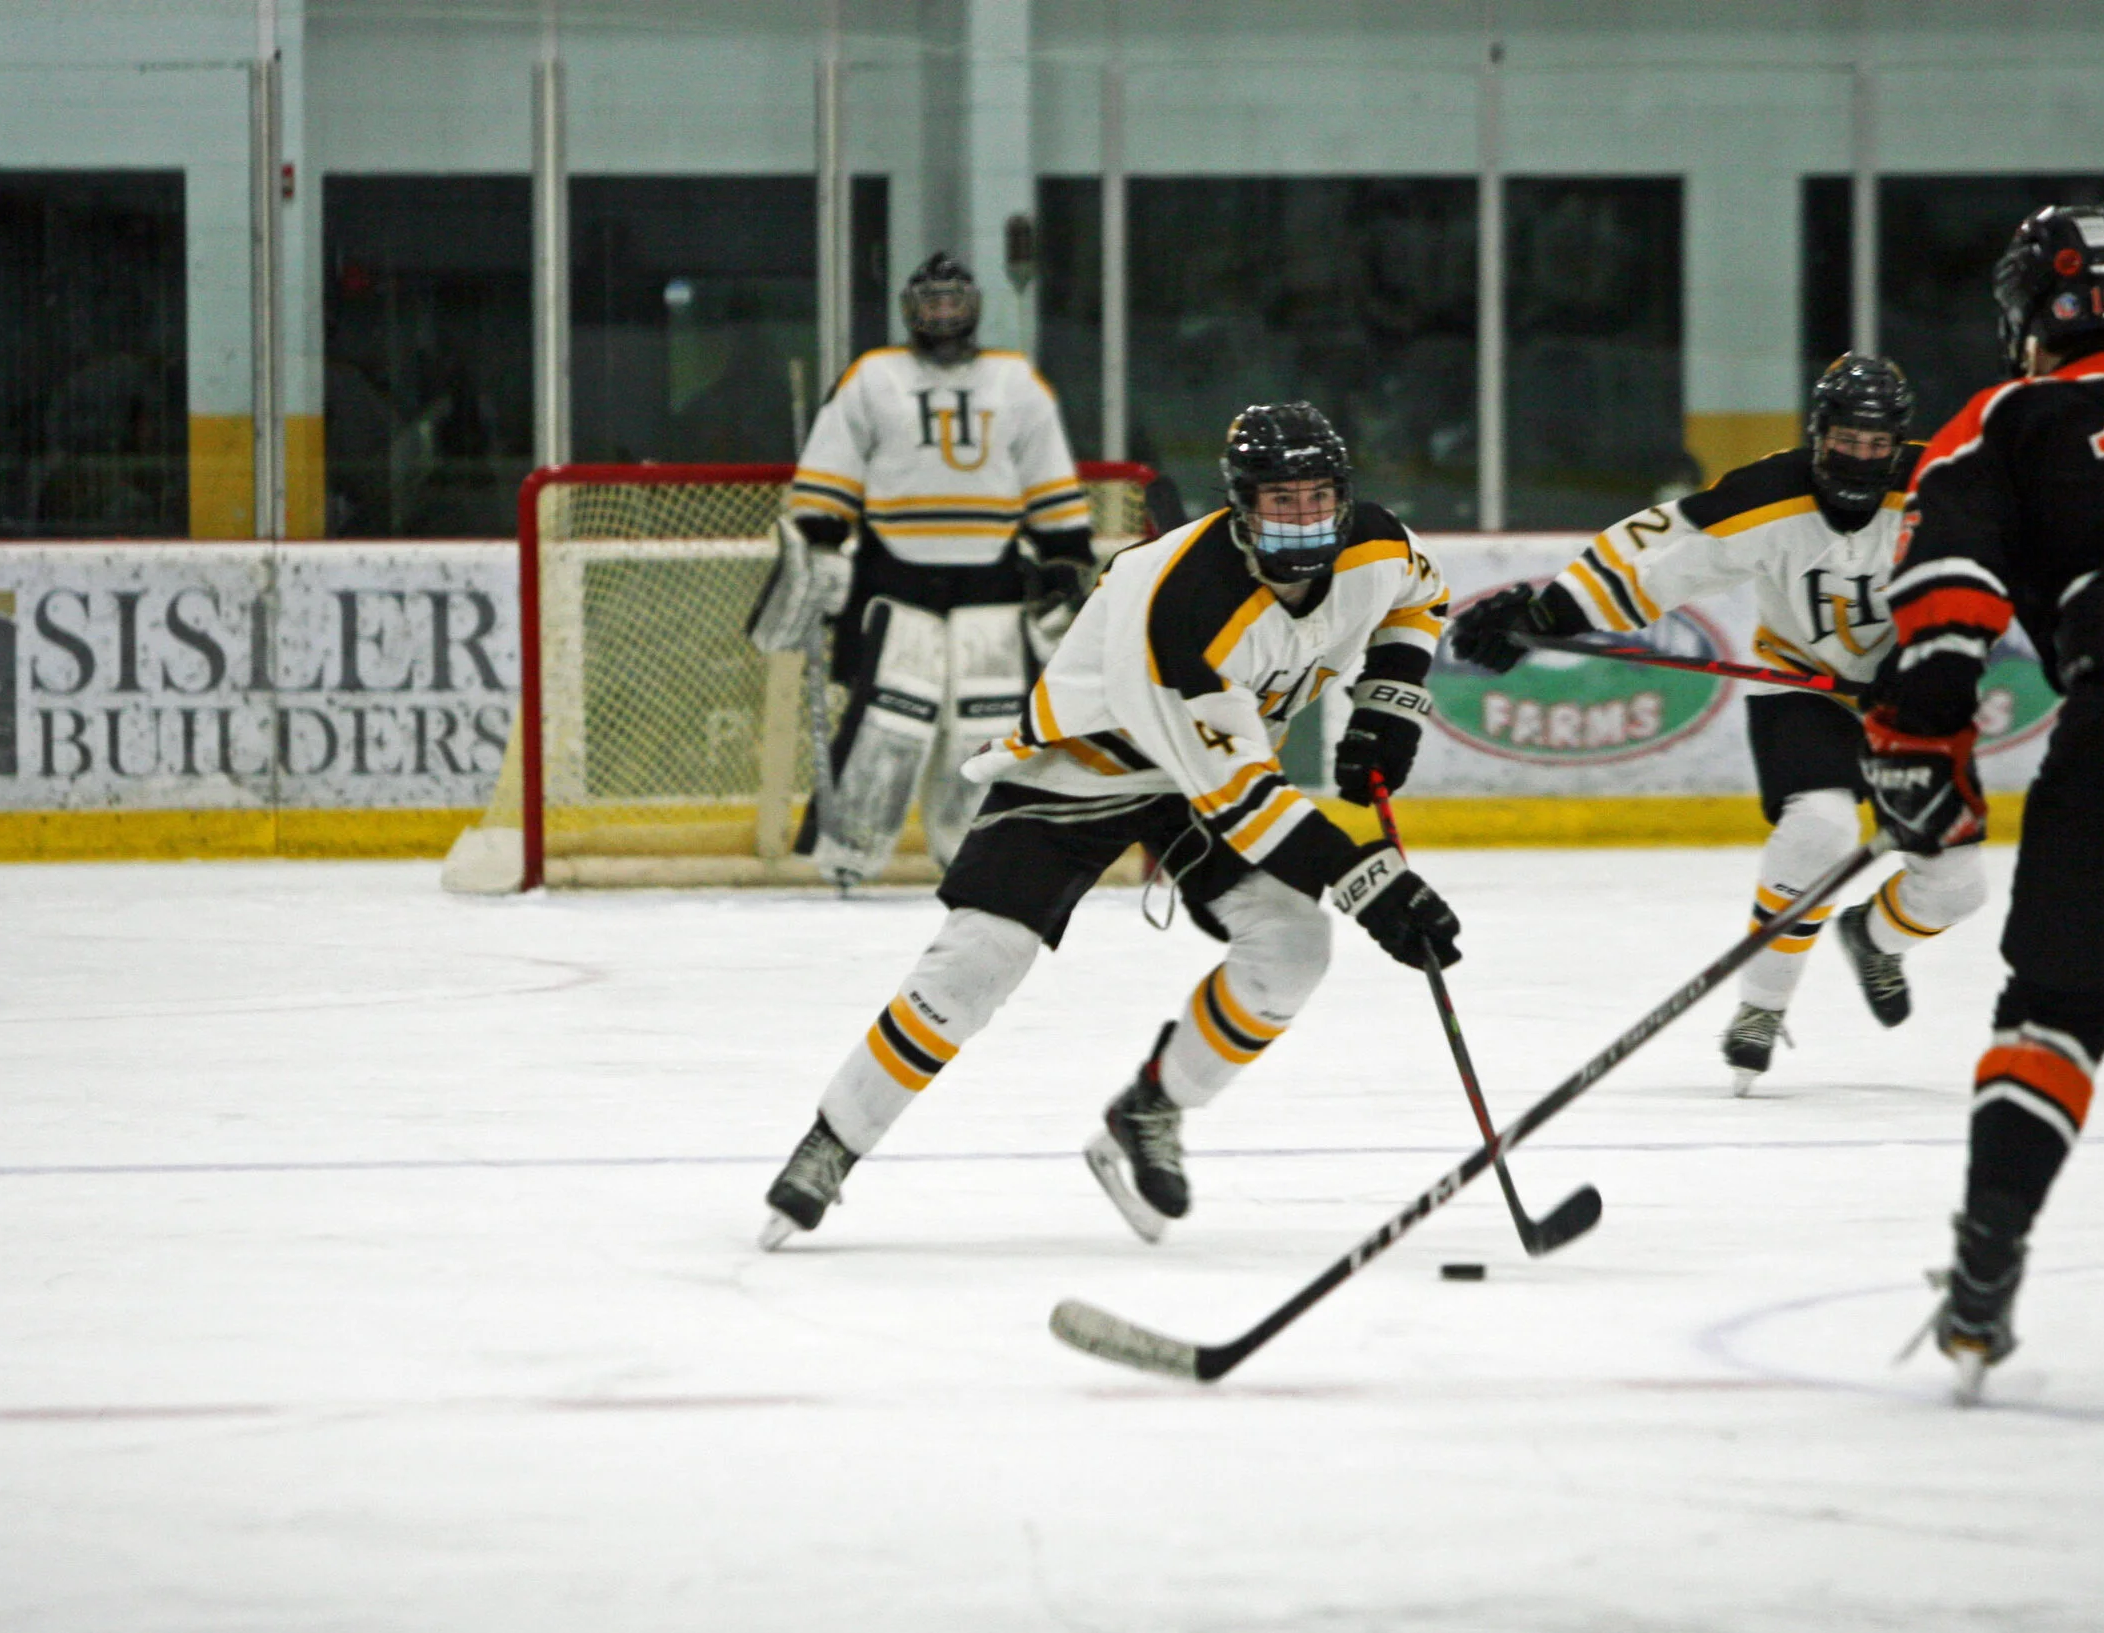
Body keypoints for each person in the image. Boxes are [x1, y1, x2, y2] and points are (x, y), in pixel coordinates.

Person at [759, 402, 1463, 1248]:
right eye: (1282, 502)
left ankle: (1150, 1110)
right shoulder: (1182, 612)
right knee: (979, 958)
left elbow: (1423, 598)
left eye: (1318, 498)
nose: (1304, 519)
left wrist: (1390, 702)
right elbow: (1244, 798)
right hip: (1082, 769)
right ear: (1243, 507)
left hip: (1203, 775)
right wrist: (1370, 880)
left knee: (1292, 947)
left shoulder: (1377, 548)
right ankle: (832, 1142)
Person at [1864, 203, 2104, 1399]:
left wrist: (1923, 736)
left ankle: (1985, 1262)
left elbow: (1947, 586)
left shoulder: (2004, 415)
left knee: (2058, 1009)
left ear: (2025, 315)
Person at [1450, 354, 1989, 1093]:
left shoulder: (1947, 488)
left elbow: (2010, 570)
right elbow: (1656, 549)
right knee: (1822, 827)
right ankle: (1762, 1006)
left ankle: (1874, 935)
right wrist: (1550, 609)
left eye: (1876, 443)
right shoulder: (1768, 496)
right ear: (1818, 434)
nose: (1860, 458)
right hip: (1807, 686)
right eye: (1845, 439)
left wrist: (1934, 654)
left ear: (1898, 442)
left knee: (1958, 885)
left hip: (1917, 700)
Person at [747, 253, 1097, 886]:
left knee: (987, 723)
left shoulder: (1015, 381)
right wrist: (820, 543)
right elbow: (829, 476)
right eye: (931, 303)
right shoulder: (873, 377)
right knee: (889, 718)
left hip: (992, 577)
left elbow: (1049, 480)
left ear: (974, 308)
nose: (942, 314)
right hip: (894, 576)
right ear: (911, 310)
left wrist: (1065, 559)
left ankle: (976, 850)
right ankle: (851, 853)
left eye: (952, 302)